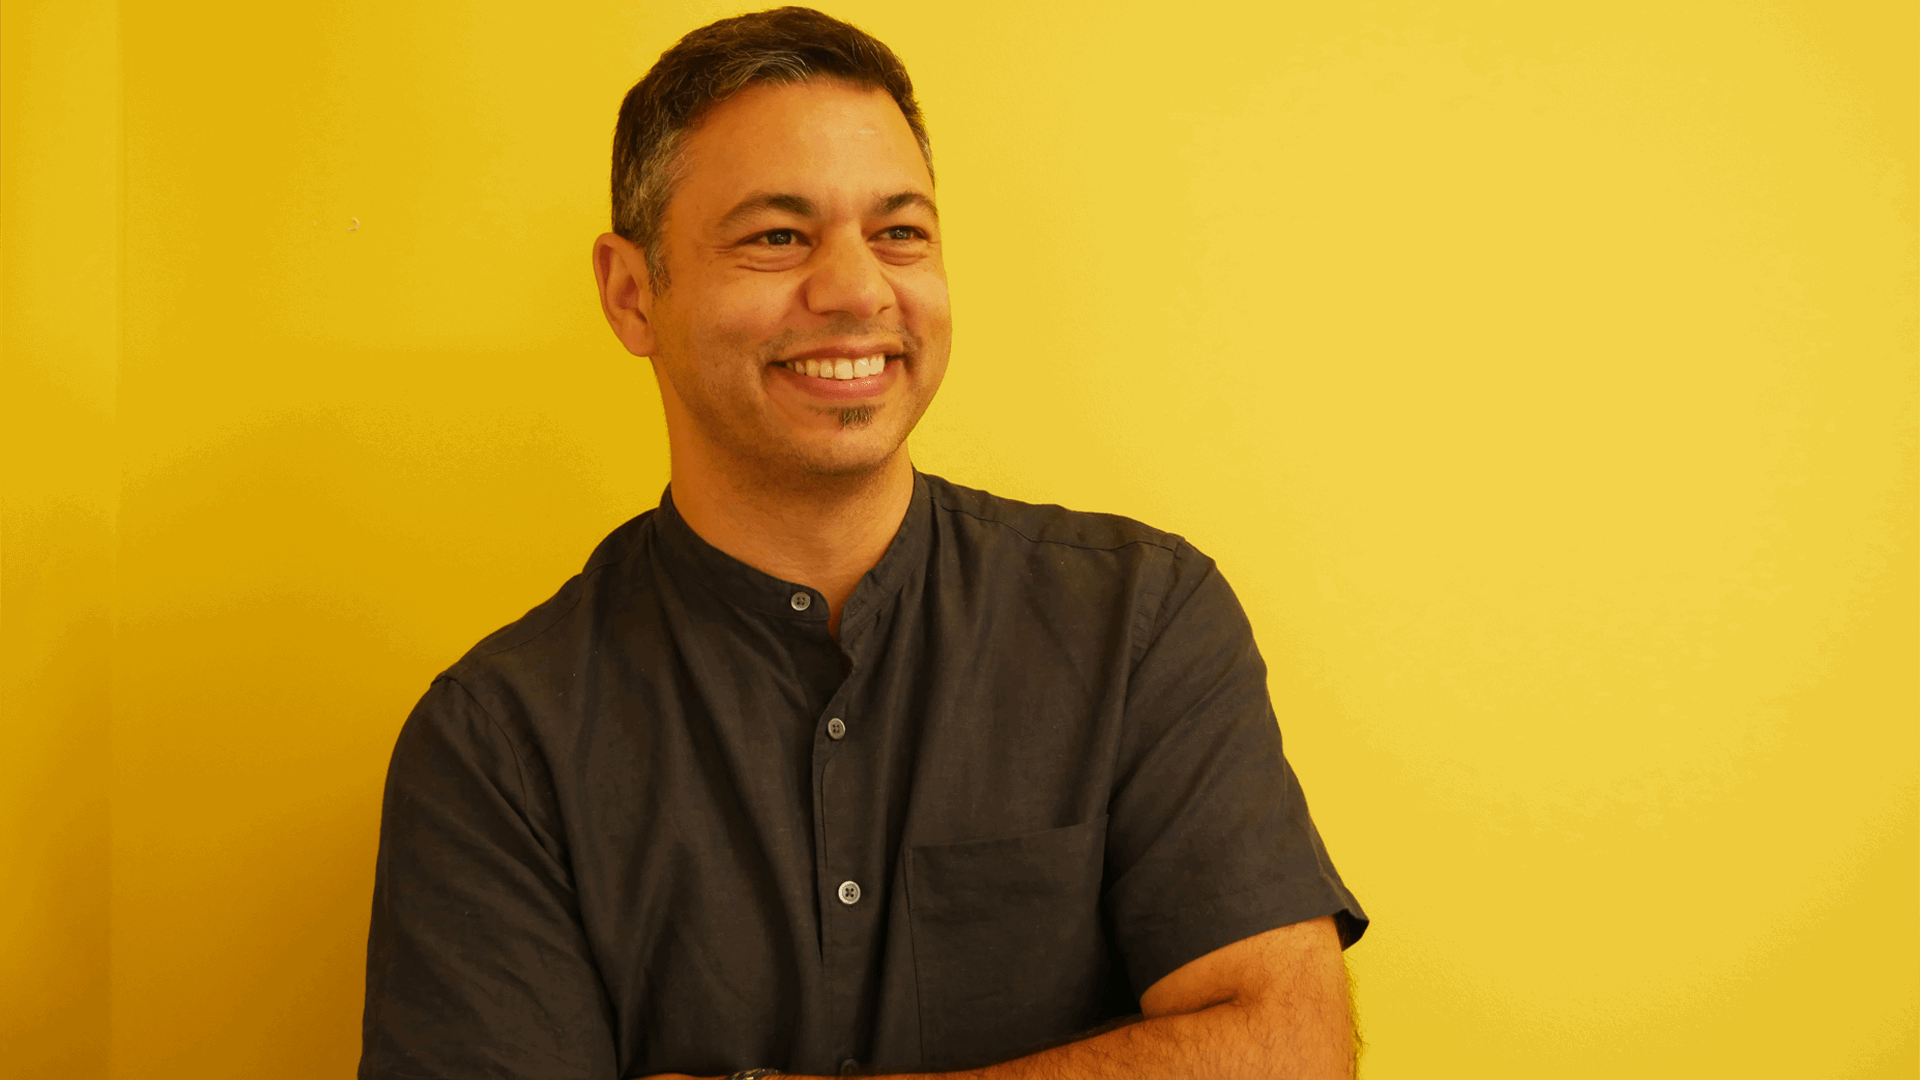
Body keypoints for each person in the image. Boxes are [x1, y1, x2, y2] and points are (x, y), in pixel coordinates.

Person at [358, 7, 1367, 1079]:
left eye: (899, 232)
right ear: (630, 291)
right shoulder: (496, 749)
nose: (856, 289)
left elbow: (1289, 1053)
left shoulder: (1140, 623)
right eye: (777, 236)